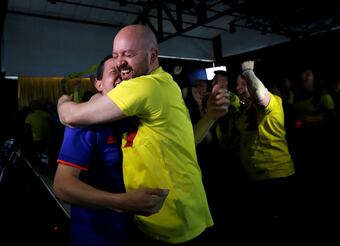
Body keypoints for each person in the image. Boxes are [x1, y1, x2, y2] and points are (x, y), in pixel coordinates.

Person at [57, 24, 229, 244]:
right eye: (115, 57)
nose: (120, 66)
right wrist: (210, 117)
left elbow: (70, 115)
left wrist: (63, 102)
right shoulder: (95, 123)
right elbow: (183, 143)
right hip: (118, 227)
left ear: (153, 55)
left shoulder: (144, 87)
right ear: (97, 83)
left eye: (129, 54)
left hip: (170, 219)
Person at [53, 54, 169, 246]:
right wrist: (122, 202)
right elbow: (62, 186)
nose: (122, 76)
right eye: (114, 71)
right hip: (98, 235)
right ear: (98, 84)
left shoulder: (138, 117)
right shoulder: (85, 122)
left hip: (144, 229)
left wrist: (210, 116)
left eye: (125, 72)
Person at [234, 60, 296, 239]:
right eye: (237, 84)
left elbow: (260, 96)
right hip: (254, 177)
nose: (238, 88)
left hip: (276, 177)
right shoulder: (243, 111)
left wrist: (248, 72)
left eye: (243, 84)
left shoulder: (273, 101)